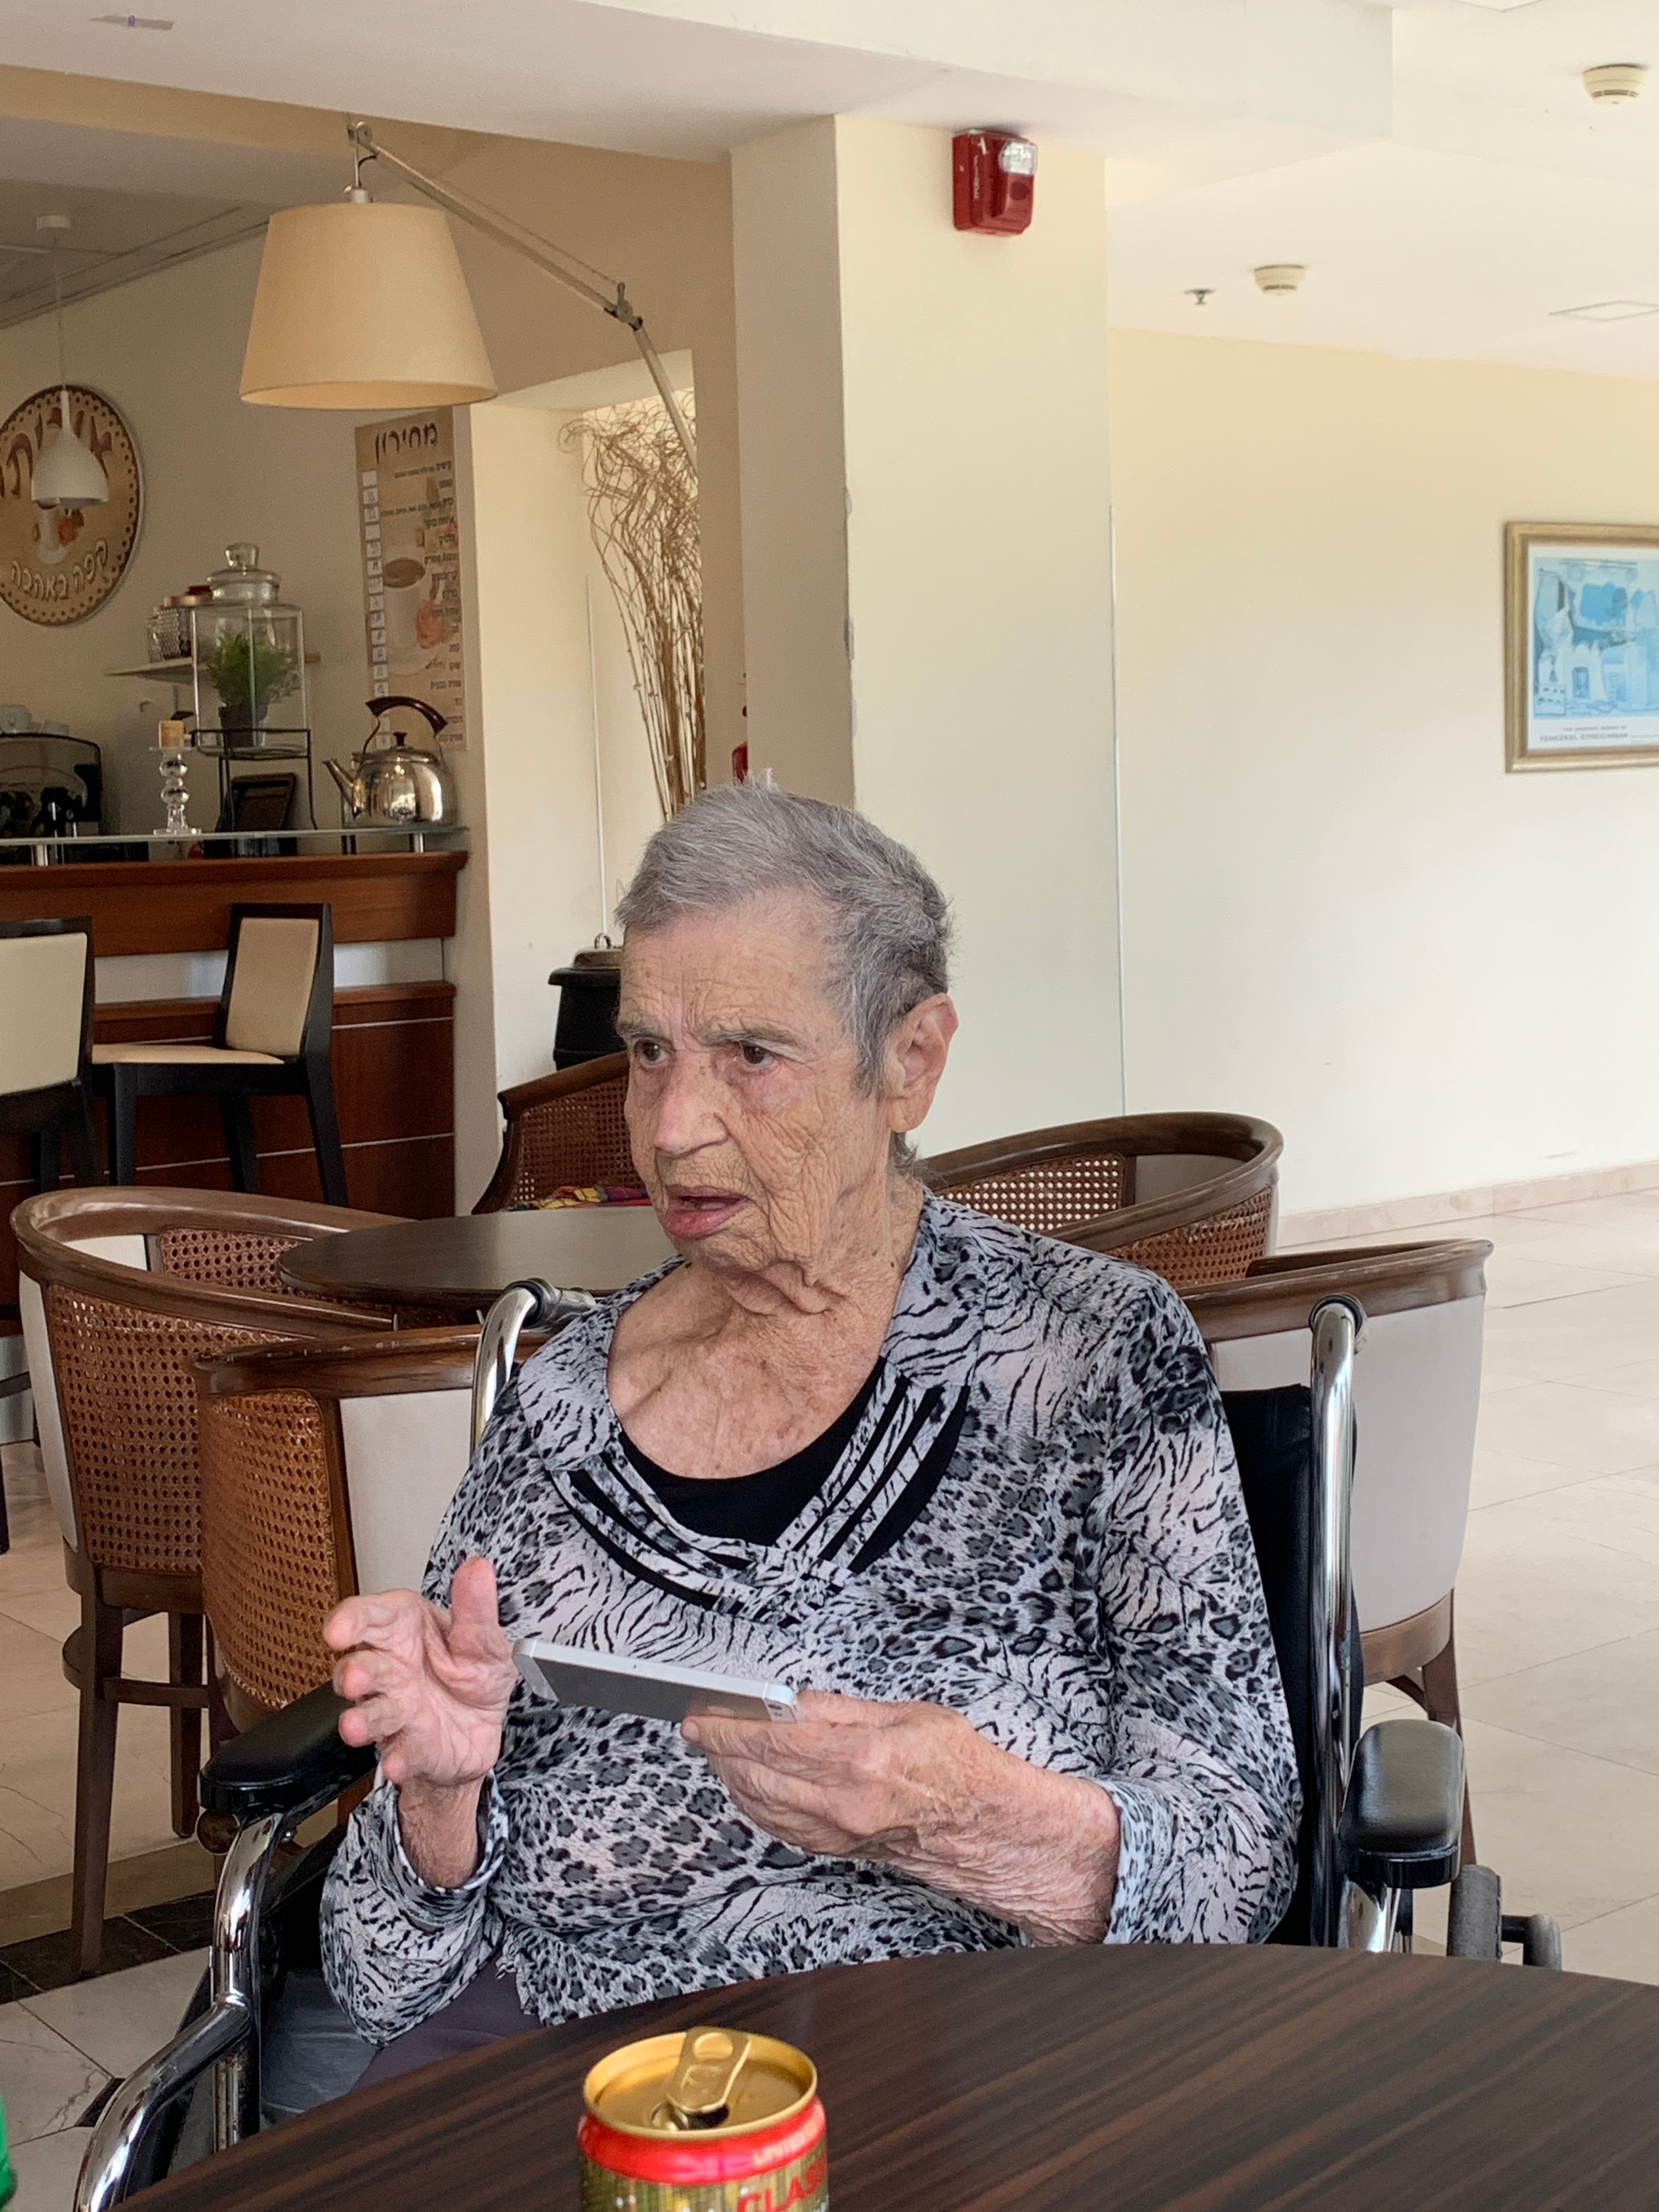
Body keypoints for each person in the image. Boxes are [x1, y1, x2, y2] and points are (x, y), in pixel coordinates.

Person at [320, 781, 1299, 2078]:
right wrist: (441, 1797)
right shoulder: (561, 1406)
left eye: (750, 1056)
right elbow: (381, 1981)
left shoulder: (1086, 1358)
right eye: (650, 1052)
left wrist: (974, 1821)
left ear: (912, 1061)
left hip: (955, 2073)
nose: (673, 1127)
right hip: (570, 2067)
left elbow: (1240, 1869)